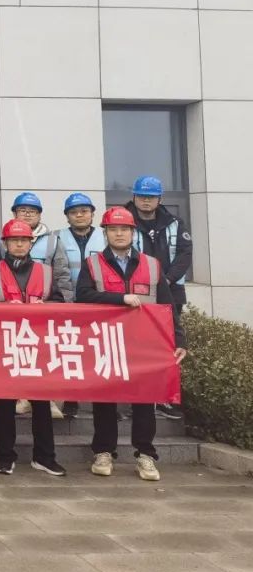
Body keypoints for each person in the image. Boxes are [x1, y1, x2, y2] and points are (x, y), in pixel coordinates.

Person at [77, 206, 186, 482]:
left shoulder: (152, 265)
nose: (119, 234)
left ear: (132, 232)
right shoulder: (92, 264)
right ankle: (103, 451)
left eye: (124, 229)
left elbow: (167, 306)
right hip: (106, 342)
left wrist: (179, 339)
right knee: (105, 400)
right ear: (105, 233)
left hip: (143, 344)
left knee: (144, 400)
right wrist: (120, 299)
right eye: (113, 229)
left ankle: (145, 454)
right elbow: (83, 296)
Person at [0, 219, 67, 477]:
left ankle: (45, 457)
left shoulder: (45, 272)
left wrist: (46, 307)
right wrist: (2, 308)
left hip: (37, 346)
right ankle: (5, 456)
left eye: (24, 240)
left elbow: (60, 303)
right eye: (14, 240)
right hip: (3, 345)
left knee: (41, 404)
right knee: (4, 405)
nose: (19, 244)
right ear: (5, 243)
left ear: (31, 243)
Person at [127, 175, 193, 421]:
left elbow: (185, 254)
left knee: (166, 345)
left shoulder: (175, 223)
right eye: (142, 196)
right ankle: (134, 397)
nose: (146, 201)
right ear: (134, 197)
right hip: (137, 293)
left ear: (160, 199)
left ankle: (164, 398)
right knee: (135, 346)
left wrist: (165, 280)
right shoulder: (123, 221)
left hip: (170, 292)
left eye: (151, 197)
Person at [6, 192, 70, 420]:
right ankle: (22, 398)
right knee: (16, 355)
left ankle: (47, 400)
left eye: (32, 211)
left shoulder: (52, 241)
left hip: (43, 311)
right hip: (12, 312)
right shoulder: (5, 236)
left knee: (43, 356)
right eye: (22, 211)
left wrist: (62, 308)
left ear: (40, 215)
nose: (27, 215)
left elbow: (62, 275)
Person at [54, 192, 107, 419]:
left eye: (84, 211)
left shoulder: (105, 237)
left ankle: (103, 401)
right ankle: (71, 399)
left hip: (98, 303)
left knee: (99, 353)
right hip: (68, 303)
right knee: (71, 352)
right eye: (74, 212)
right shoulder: (57, 237)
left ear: (92, 214)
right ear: (67, 216)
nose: (79, 215)